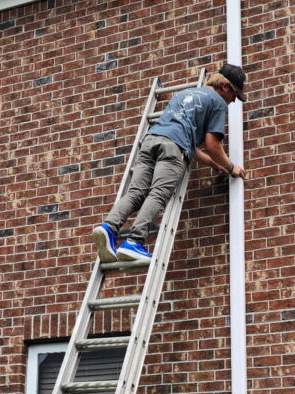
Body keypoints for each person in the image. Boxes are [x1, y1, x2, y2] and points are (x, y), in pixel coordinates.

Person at [92, 62, 248, 263]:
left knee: (136, 192)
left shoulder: (185, 94)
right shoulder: (218, 102)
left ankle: (108, 227)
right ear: (225, 87)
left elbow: (190, 144)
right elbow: (211, 143)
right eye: (234, 96)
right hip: (173, 147)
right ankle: (134, 242)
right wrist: (230, 167)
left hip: (151, 141)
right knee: (158, 193)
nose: (233, 101)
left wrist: (213, 164)